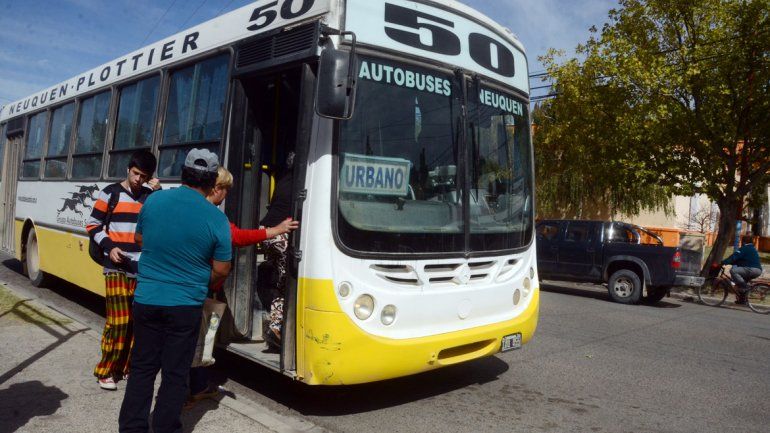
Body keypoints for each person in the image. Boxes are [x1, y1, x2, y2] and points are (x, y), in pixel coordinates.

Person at [118, 148, 232, 433]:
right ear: (211, 182)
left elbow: (140, 238)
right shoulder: (216, 218)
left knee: (142, 368)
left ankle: (132, 428)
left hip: (147, 299)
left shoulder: (155, 201)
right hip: (185, 305)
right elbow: (221, 270)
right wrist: (194, 275)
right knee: (175, 373)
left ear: (184, 174)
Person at [186, 166, 298, 407]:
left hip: (191, 285)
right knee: (200, 338)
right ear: (216, 189)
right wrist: (275, 231)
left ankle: (197, 385)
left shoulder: (195, 208)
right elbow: (236, 237)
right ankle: (193, 389)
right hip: (199, 287)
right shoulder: (210, 214)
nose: (226, 195)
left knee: (202, 337)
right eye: (225, 190)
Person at [86, 150, 160, 390]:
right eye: (136, 173)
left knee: (138, 322)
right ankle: (105, 370)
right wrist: (110, 246)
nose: (138, 179)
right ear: (128, 169)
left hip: (140, 266)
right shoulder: (110, 193)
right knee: (118, 321)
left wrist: (157, 191)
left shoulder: (150, 196)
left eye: (144, 176)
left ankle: (127, 367)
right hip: (115, 265)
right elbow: (93, 224)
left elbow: (160, 218)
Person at [260, 152, 295, 349]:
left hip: (267, 232)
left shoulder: (283, 179)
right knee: (287, 284)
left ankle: (275, 325)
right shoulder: (300, 182)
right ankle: (276, 327)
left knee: (279, 280)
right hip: (280, 234)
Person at [722, 234, 763, 305]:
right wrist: (730, 263)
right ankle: (742, 300)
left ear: (744, 241)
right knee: (741, 283)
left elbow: (734, 257)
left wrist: (724, 262)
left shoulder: (744, 248)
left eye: (741, 241)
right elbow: (739, 260)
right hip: (757, 270)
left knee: (734, 271)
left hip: (751, 269)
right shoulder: (752, 248)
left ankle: (745, 287)